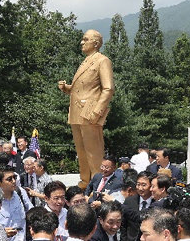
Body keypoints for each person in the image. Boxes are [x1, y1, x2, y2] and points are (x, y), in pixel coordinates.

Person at [58, 29, 115, 189]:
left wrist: (97, 110)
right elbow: (82, 88)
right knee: (81, 151)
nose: (81, 43)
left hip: (90, 111)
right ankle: (85, 181)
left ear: (95, 43)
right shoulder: (85, 61)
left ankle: (98, 184)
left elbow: (108, 88)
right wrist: (67, 88)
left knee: (93, 151)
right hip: (76, 112)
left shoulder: (102, 61)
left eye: (85, 39)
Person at [0, 164, 33, 241]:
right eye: (9, 179)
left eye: (15, 177)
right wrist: (1, 233)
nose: (14, 181)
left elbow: (32, 212)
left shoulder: (21, 192)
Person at [121, 171, 154, 241]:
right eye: (138, 184)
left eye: (144, 185)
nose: (140, 188)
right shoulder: (129, 201)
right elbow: (123, 225)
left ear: (151, 186)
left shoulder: (156, 203)